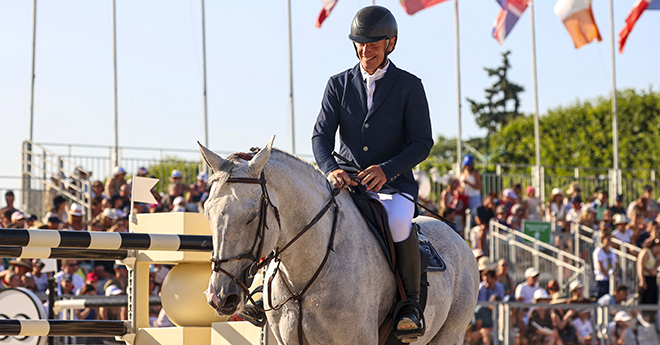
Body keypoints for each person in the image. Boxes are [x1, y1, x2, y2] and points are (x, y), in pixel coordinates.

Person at [310, 5, 433, 341]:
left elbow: (423, 142)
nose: (366, 51)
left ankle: (411, 304)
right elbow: (321, 137)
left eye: (374, 45)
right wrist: (332, 169)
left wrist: (388, 169)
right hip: (347, 180)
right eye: (361, 45)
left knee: (397, 221)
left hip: (394, 183)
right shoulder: (337, 84)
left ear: (390, 44)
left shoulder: (409, 86)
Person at [593, 230, 618, 298]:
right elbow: (600, 266)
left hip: (612, 279)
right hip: (603, 279)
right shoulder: (598, 251)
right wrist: (608, 276)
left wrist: (614, 276)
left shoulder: (612, 251)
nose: (610, 241)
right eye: (608, 239)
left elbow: (616, 264)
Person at [637, 238, 660, 304]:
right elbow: (640, 266)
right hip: (645, 278)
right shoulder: (646, 252)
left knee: (653, 300)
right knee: (645, 300)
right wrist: (642, 280)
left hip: (652, 278)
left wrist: (654, 269)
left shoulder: (656, 254)